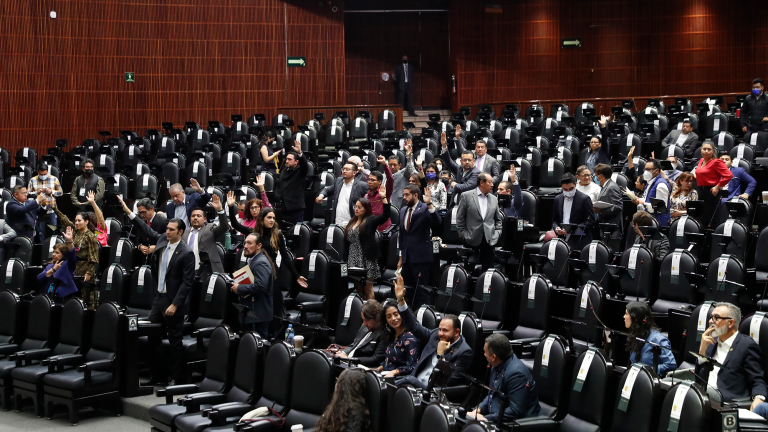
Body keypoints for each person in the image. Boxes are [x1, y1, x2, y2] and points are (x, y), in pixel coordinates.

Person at [393, 275, 473, 389]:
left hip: (433, 392)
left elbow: (449, 382)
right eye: (440, 329)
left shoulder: (464, 352)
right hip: (414, 384)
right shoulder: (435, 335)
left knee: (406, 382)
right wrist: (401, 300)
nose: (440, 333)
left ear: (457, 332)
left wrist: (441, 357)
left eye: (445, 330)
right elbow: (413, 326)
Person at [142, 218, 196, 386]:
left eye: (172, 230)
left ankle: (176, 377)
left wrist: (175, 304)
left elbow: (187, 282)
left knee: (175, 341)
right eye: (167, 229)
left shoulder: (186, 252)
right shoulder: (161, 245)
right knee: (152, 338)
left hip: (173, 301)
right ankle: (157, 375)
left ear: (180, 232)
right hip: (159, 298)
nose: (168, 232)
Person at [697, 302, 767, 411]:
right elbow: (699, 378)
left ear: (730, 323)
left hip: (726, 404)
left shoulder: (746, 345)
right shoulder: (711, 342)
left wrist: (759, 398)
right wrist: (702, 352)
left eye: (716, 318)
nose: (710, 321)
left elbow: (757, 380)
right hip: (703, 398)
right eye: (711, 317)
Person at [469, 333, 541, 423]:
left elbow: (515, 411)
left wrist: (486, 419)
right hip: (496, 416)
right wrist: (479, 409)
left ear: (493, 357)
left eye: (485, 352)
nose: (484, 354)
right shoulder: (496, 364)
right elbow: (491, 395)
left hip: (516, 424)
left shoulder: (517, 374)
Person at [398, 184, 441, 311]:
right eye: (404, 194)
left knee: (421, 292)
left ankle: (424, 318)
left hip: (420, 258)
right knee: (408, 291)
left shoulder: (424, 208)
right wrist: (400, 257)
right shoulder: (402, 210)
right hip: (406, 258)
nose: (404, 197)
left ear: (415, 195)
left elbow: (437, 223)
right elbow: (402, 236)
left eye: (407, 195)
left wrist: (430, 204)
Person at [345, 186, 391, 299]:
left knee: (368, 288)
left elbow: (385, 215)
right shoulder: (353, 221)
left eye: (359, 207)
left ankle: (372, 313)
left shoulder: (370, 220)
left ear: (366, 209)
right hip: (353, 258)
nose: (356, 209)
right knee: (358, 289)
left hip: (366, 258)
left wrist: (384, 198)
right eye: (356, 207)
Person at [230, 232, 275, 338]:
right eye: (245, 243)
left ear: (259, 246)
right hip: (251, 314)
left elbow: (260, 286)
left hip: (258, 316)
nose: (245, 246)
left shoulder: (261, 262)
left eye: (249, 243)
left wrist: (239, 288)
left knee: (257, 350)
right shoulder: (254, 260)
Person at [456, 173, 503, 271]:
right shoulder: (466, 196)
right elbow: (460, 218)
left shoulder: (494, 199)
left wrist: (497, 233)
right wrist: (463, 234)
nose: (492, 185)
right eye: (490, 182)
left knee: (488, 272)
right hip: (471, 239)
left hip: (489, 240)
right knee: (469, 272)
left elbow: (498, 219)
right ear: (481, 182)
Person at [623, 301, 676, 377]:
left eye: (626, 314)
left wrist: (649, 371)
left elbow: (671, 365)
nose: (624, 317)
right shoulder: (636, 336)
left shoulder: (658, 340)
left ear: (636, 318)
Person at [52, 200, 99, 284]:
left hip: (85, 267)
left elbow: (93, 258)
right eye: (76, 220)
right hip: (73, 265)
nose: (76, 223)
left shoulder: (90, 237)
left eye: (79, 220)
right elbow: (65, 220)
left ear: (86, 222)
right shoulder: (76, 231)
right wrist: (55, 209)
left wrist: (89, 273)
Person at [182, 196, 228, 278]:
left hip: (207, 272)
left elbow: (224, 227)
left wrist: (220, 210)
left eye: (199, 216)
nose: (195, 218)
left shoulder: (210, 228)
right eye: (193, 216)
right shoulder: (185, 232)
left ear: (204, 219)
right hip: (188, 272)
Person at [316, 161, 369, 228]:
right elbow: (327, 190)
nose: (344, 171)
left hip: (353, 223)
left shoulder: (361, 185)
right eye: (343, 169)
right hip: (337, 222)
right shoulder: (338, 181)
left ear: (354, 172)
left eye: (347, 169)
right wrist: (321, 196)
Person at [335, 300, 386, 368]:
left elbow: (376, 359)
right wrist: (343, 353)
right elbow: (354, 344)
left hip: (359, 367)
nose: (364, 324)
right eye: (363, 320)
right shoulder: (365, 326)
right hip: (346, 361)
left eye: (366, 320)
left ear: (377, 318)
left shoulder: (383, 334)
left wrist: (350, 360)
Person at [693, 141, 732, 228]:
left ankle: (712, 239)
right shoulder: (701, 160)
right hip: (700, 191)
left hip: (711, 191)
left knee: (711, 218)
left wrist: (718, 187)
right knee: (702, 218)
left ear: (713, 151)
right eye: (704, 149)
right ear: (701, 150)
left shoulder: (716, 162)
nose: (706, 151)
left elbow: (729, 175)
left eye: (709, 149)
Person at [377, 300, 419, 377]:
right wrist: (380, 367)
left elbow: (412, 366)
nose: (393, 319)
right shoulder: (391, 334)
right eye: (389, 317)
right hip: (386, 374)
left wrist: (395, 372)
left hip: (399, 378)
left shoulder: (409, 338)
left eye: (396, 314)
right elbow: (390, 360)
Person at [552, 173, 595, 250]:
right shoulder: (558, 199)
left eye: (571, 188)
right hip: (562, 240)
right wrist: (556, 228)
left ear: (575, 184)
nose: (568, 191)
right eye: (565, 189)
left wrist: (571, 229)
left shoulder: (584, 199)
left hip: (580, 240)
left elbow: (590, 221)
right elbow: (555, 220)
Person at [37, 227, 77, 302]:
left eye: (57, 253)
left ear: (64, 255)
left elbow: (72, 254)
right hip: (49, 296)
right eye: (53, 252)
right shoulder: (50, 265)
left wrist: (69, 240)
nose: (53, 254)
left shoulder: (68, 264)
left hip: (63, 298)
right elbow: (39, 278)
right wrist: (53, 270)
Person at [440, 132, 480, 206]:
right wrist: (444, 146)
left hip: (468, 206)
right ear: (461, 161)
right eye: (465, 160)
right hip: (455, 204)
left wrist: (454, 184)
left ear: (473, 161)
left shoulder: (477, 173)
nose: (467, 162)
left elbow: (467, 187)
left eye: (469, 160)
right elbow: (448, 162)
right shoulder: (459, 169)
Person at [28, 163, 62, 242]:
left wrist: (52, 191)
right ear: (37, 171)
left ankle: (53, 248)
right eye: (41, 174)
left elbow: (61, 193)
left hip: (52, 210)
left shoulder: (54, 179)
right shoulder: (32, 180)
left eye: (45, 174)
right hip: (39, 211)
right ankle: (42, 250)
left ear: (47, 172)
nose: (43, 175)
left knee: (54, 230)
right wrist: (36, 192)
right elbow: (28, 194)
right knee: (40, 232)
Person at [276, 140, 309, 224]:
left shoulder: (300, 171)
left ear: (296, 162)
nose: (287, 161)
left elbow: (305, 165)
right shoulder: (283, 171)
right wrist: (278, 197)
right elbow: (279, 186)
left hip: (296, 208)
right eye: (286, 159)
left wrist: (300, 153)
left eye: (290, 159)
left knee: (296, 232)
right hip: (283, 208)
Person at [593, 163, 623, 239]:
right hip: (606, 228)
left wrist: (600, 211)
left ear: (601, 176)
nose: (595, 177)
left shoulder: (612, 187)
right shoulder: (605, 186)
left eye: (596, 176)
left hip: (613, 229)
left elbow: (619, 207)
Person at [638, 159, 671, 226]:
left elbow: (660, 209)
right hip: (650, 221)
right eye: (645, 169)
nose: (646, 172)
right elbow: (647, 200)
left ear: (657, 170)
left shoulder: (661, 185)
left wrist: (643, 203)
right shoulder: (649, 183)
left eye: (649, 169)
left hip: (659, 223)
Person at [366, 160, 393, 232]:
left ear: (380, 181)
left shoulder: (384, 193)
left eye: (372, 180)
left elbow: (390, 179)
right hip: (369, 229)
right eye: (369, 180)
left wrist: (384, 165)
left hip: (383, 230)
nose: (370, 182)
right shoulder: (366, 195)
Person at [388, 140, 415, 208]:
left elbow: (411, 169)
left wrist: (409, 156)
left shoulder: (404, 172)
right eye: (390, 165)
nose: (392, 167)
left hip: (400, 205)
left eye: (394, 165)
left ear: (400, 165)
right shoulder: (384, 175)